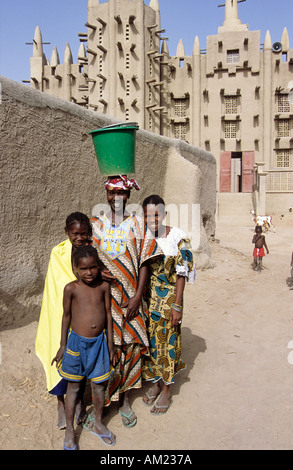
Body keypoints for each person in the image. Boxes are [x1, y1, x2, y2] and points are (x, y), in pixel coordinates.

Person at [90, 175, 161, 428]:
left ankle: (125, 401)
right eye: (112, 194)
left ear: (128, 196)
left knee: (130, 348)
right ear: (107, 194)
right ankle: (105, 401)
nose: (116, 198)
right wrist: (98, 271)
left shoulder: (137, 225)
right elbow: (85, 258)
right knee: (107, 349)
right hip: (104, 300)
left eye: (121, 194)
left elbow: (144, 262)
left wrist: (138, 296)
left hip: (131, 300)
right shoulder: (95, 224)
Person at [52, 245, 117, 450]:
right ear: (75, 269)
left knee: (99, 386)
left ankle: (98, 423)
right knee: (73, 387)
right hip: (76, 345)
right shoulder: (71, 289)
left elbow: (108, 315)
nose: (89, 273)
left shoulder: (104, 287)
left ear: (98, 266)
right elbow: (66, 317)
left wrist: (111, 345)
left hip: (99, 344)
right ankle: (70, 431)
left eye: (93, 268)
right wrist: (63, 345)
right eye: (83, 269)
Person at [35, 212, 92, 429]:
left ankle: (78, 401)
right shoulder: (57, 253)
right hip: (59, 313)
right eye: (75, 233)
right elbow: (55, 287)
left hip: (82, 315)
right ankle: (61, 402)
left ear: (88, 233)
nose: (79, 238)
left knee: (81, 358)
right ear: (66, 232)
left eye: (83, 233)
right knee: (59, 357)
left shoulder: (90, 254)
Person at [141, 195, 196, 414]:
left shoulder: (178, 237)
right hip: (148, 301)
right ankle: (156, 382)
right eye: (147, 215)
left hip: (169, 301)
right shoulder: (143, 237)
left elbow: (182, 274)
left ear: (164, 214)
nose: (152, 219)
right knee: (152, 344)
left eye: (156, 214)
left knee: (169, 344)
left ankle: (167, 390)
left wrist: (177, 304)